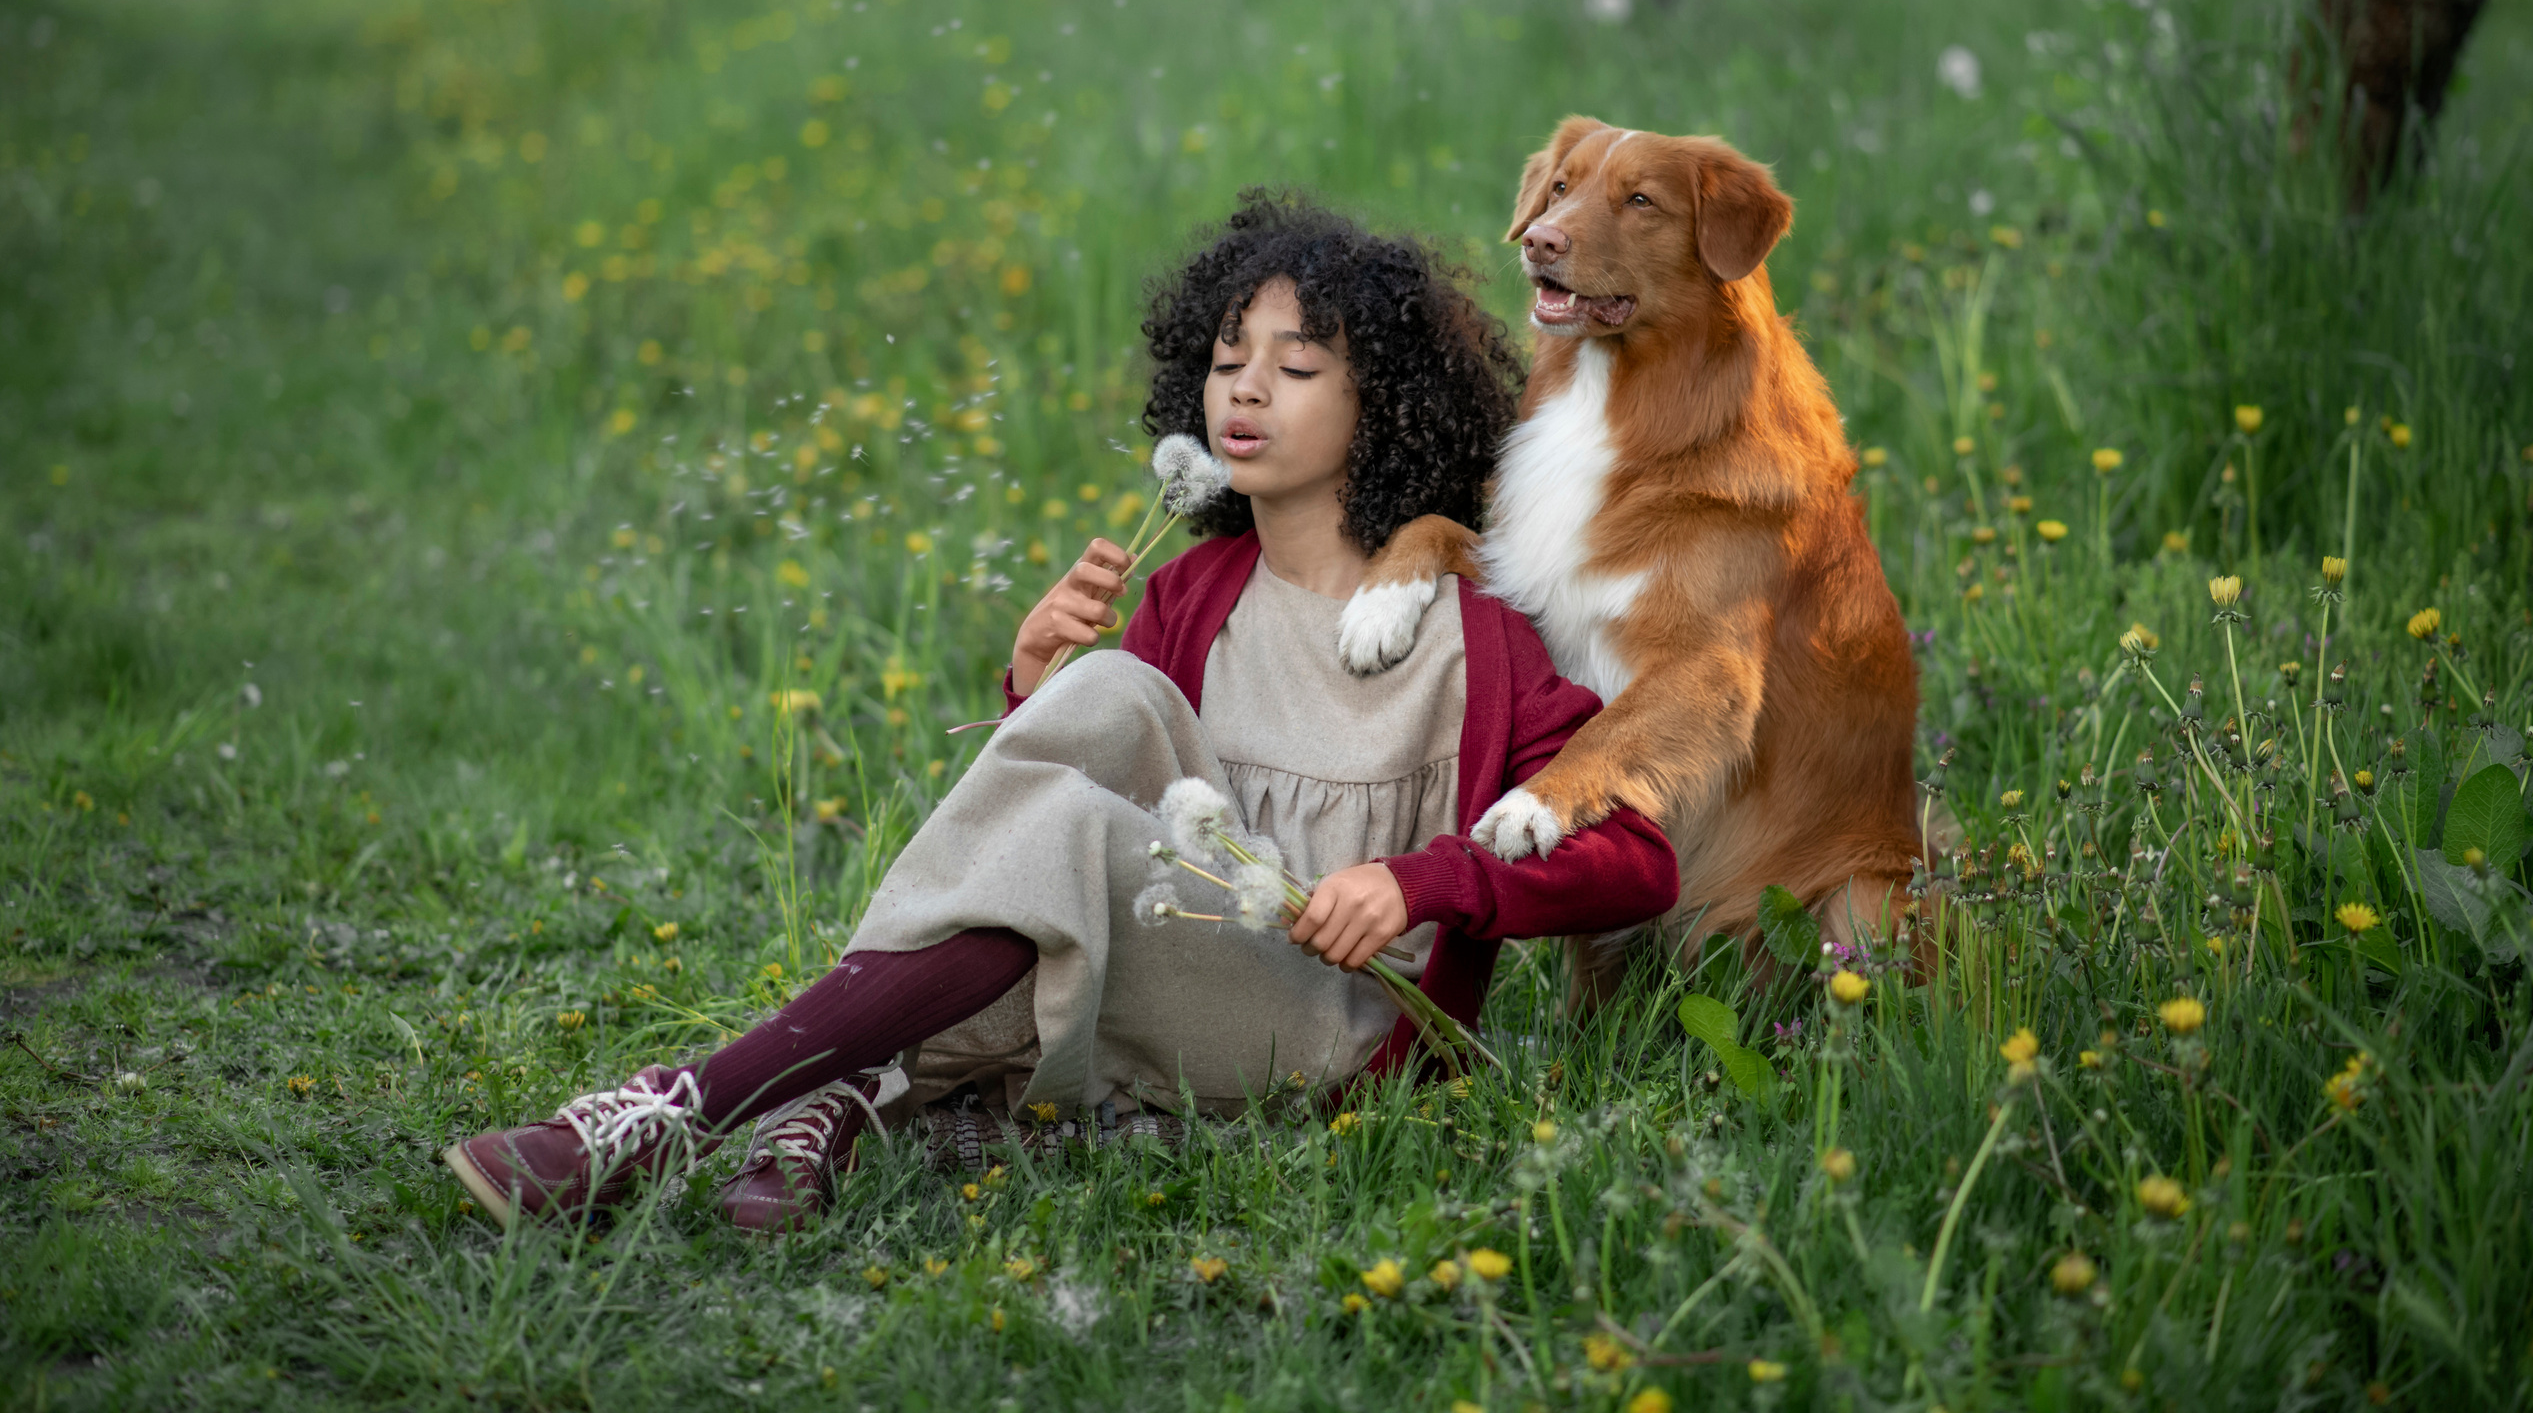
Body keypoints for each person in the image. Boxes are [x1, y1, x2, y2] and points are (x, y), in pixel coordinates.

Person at [442, 193, 1678, 1232]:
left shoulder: (1482, 637)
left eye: (1295, 368)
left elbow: (1636, 859)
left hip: (1338, 1022)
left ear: (1385, 405)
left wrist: (1428, 882)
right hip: (1175, 956)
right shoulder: (1193, 596)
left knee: (1082, 817)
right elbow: (1053, 830)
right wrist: (1037, 690)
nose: (1244, 393)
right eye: (1226, 361)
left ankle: (684, 1110)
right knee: (1106, 693)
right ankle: (835, 1087)